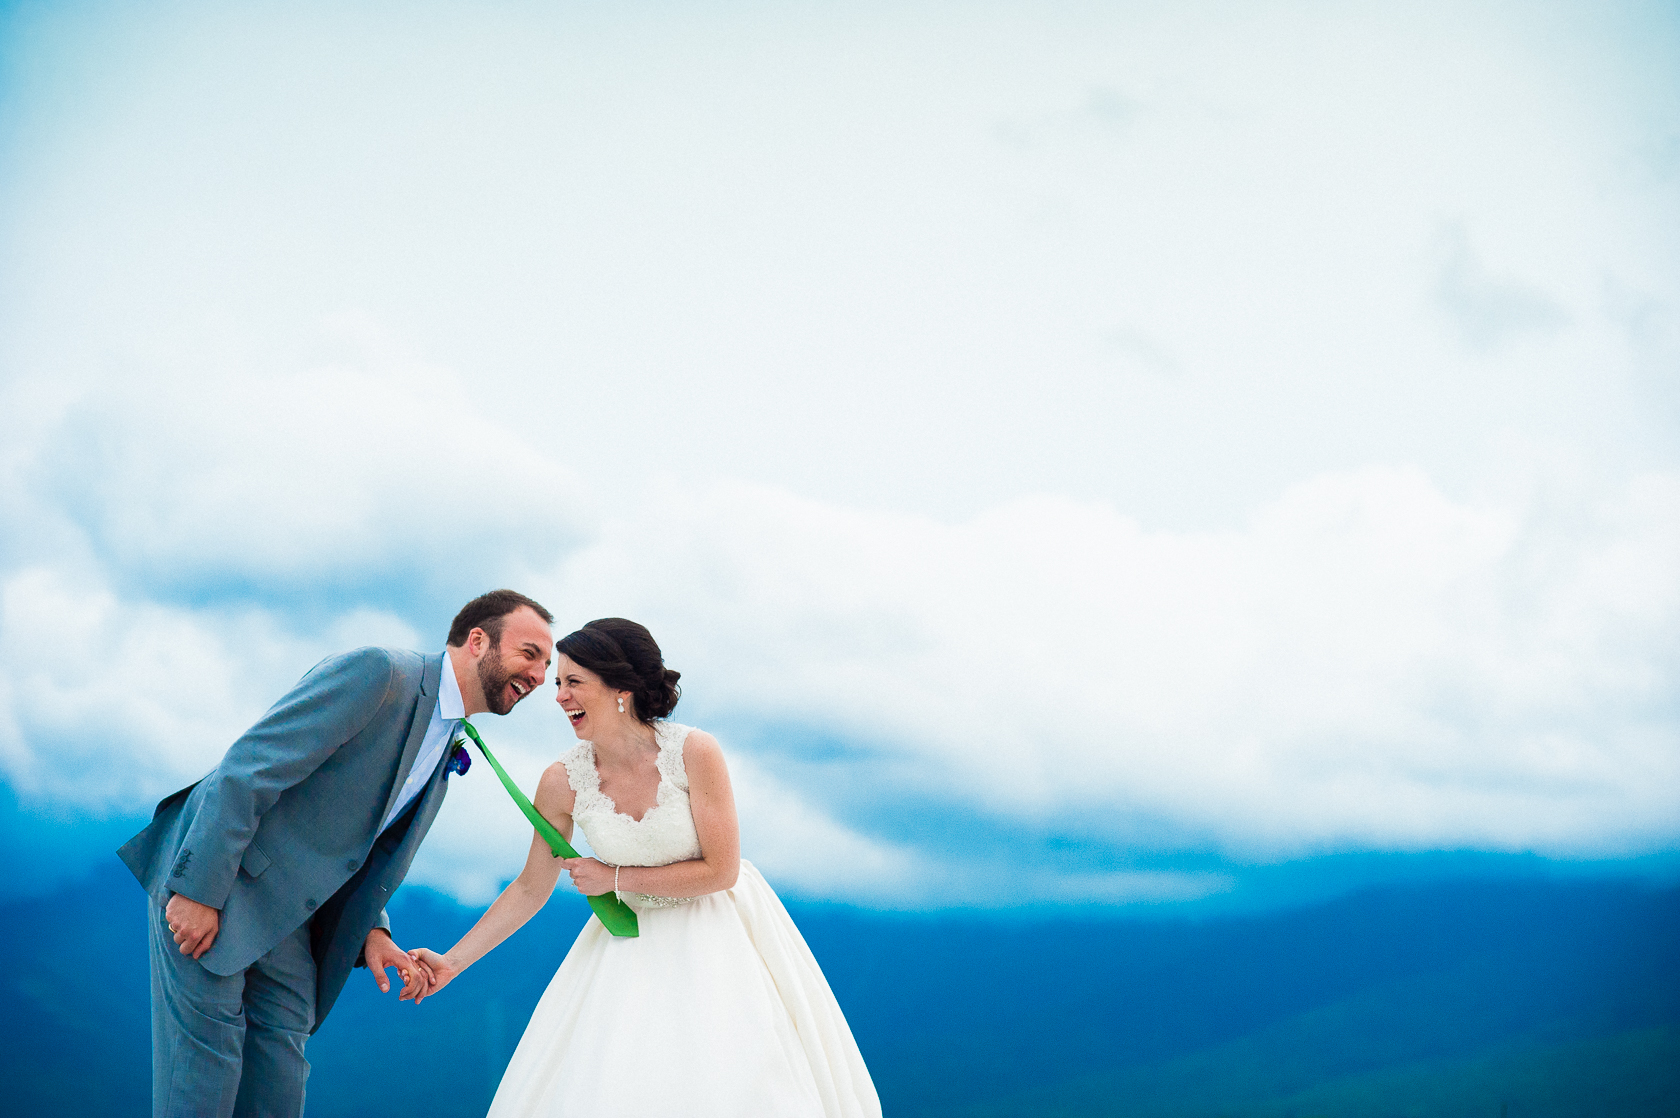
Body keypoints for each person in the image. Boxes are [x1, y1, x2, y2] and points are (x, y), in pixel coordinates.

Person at [408, 618, 881, 1118]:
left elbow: (722, 870)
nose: (560, 697)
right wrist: (453, 961)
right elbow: (530, 888)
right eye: (558, 684)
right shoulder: (561, 780)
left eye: (574, 683)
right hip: (626, 948)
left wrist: (613, 879)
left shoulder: (695, 752)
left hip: (720, 938)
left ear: (621, 689)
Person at [117, 589, 555, 1118]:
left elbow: (357, 843)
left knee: (279, 1083)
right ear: (478, 641)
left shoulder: (448, 738)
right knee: (203, 1080)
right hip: (220, 885)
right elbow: (250, 767)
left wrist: (374, 932)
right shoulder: (380, 673)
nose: (538, 675)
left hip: (290, 919)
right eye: (530, 653)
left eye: (547, 665)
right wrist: (194, 889)